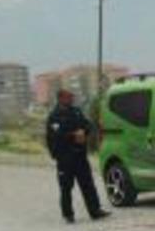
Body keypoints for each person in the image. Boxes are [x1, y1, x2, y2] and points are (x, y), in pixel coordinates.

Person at [46, 89, 110, 223]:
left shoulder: (76, 111)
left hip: (80, 156)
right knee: (66, 188)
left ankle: (95, 210)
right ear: (61, 98)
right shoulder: (54, 116)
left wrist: (84, 132)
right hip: (65, 158)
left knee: (88, 185)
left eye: (72, 97)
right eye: (69, 97)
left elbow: (88, 125)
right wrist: (73, 135)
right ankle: (68, 215)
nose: (72, 99)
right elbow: (56, 136)